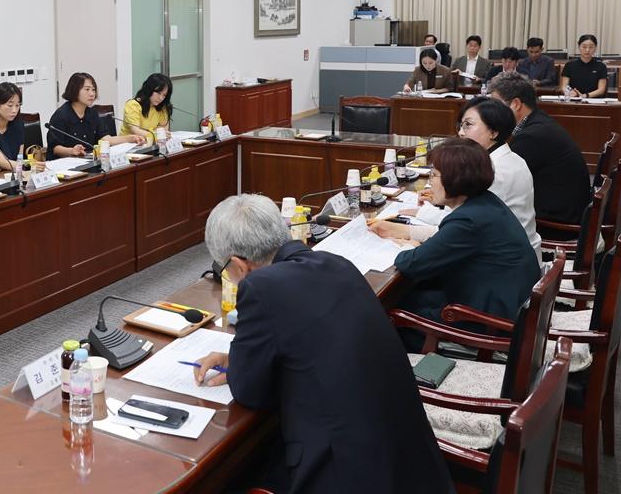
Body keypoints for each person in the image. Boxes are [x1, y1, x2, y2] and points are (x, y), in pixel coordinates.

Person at [192, 194, 451, 494]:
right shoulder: (335, 263)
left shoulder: (260, 287)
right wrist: (238, 357)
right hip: (406, 460)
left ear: (239, 264)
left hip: (346, 472)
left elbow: (250, 392)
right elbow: (312, 341)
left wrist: (242, 362)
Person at [387, 138, 541, 350]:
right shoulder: (486, 201)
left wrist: (408, 244)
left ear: (455, 179)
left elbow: (411, 264)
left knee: (384, 317)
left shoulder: (468, 220)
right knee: (408, 296)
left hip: (487, 324)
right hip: (499, 303)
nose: (431, 182)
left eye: (434, 175)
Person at [372, 97, 540, 255]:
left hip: (502, 259)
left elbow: (459, 229)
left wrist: (407, 230)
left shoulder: (497, 171)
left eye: (468, 125)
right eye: (460, 125)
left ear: (494, 132)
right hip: (508, 250)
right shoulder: (506, 158)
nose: (460, 132)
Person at [490, 72, 592, 225]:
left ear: (516, 104)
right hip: (567, 206)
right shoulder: (538, 121)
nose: (492, 111)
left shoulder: (533, 136)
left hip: (558, 219)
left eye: (495, 104)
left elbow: (502, 177)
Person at [47, 72, 142, 158]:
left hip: (88, 161)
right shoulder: (61, 115)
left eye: (93, 90)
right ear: (75, 90)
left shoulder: (92, 113)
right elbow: (55, 148)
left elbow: (105, 139)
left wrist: (130, 138)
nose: (92, 94)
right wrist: (71, 150)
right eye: (87, 89)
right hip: (65, 164)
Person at [122, 73, 173, 141]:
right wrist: (155, 135)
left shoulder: (161, 107)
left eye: (164, 95)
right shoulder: (133, 105)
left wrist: (159, 134)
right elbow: (136, 131)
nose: (161, 98)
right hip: (129, 145)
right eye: (158, 93)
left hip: (150, 144)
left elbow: (163, 131)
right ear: (149, 89)